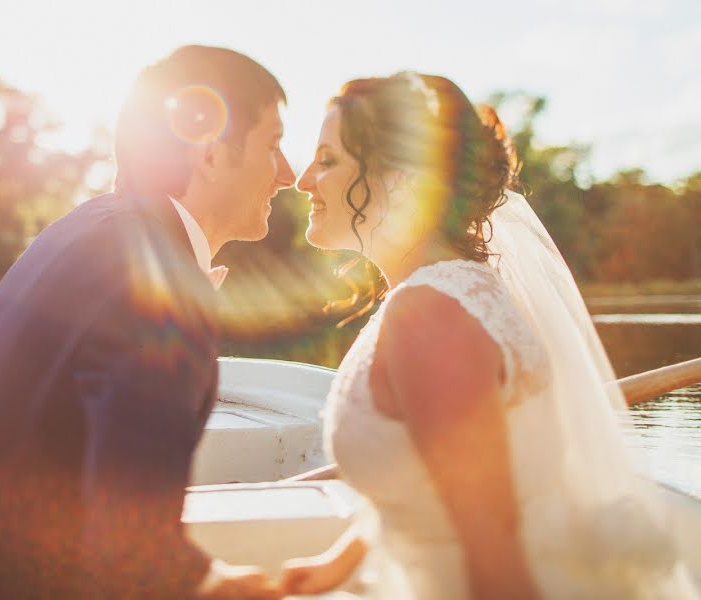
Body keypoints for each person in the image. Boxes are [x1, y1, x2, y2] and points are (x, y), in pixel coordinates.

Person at [0, 45, 294, 600]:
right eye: (274, 145)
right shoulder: (159, 277)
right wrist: (214, 585)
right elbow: (129, 545)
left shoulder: (91, 229)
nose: (288, 174)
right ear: (208, 154)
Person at [282, 72, 698, 599]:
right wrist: (335, 565)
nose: (302, 181)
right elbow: (425, 482)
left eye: (326, 160)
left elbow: (494, 555)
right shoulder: (443, 296)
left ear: (401, 180)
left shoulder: (432, 317)